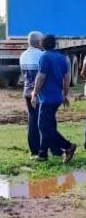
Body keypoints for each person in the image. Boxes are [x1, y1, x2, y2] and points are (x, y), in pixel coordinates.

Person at [31, 34, 76, 163]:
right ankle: (43, 154)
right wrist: (65, 95)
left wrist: (34, 93)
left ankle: (68, 146)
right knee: (48, 126)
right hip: (57, 97)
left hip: (47, 98)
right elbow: (67, 78)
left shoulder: (44, 57)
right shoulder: (62, 58)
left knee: (43, 127)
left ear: (42, 44)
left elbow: (41, 77)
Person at [19, 31, 44, 159]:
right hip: (39, 93)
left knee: (32, 120)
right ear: (39, 42)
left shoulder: (23, 55)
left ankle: (33, 150)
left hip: (27, 92)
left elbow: (23, 74)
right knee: (41, 121)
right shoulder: (42, 55)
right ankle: (41, 149)